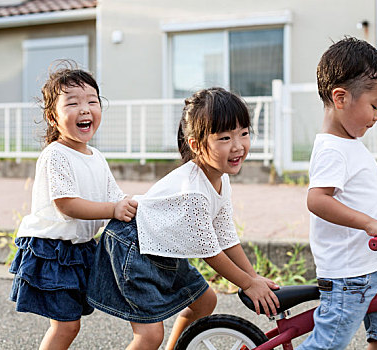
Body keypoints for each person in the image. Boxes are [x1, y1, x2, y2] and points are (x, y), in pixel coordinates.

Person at [87, 87, 280, 350]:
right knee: (150, 334)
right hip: (133, 246)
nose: (238, 146)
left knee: (205, 301)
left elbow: (225, 236)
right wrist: (247, 284)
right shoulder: (193, 192)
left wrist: (254, 278)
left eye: (244, 133)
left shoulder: (220, 179)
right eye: (224, 138)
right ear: (196, 145)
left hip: (161, 249)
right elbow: (210, 251)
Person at [9, 64, 138, 350]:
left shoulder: (96, 157)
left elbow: (115, 197)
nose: (84, 109)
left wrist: (134, 204)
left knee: (69, 323)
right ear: (52, 117)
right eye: (72, 103)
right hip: (52, 249)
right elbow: (67, 205)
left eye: (92, 101)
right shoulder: (55, 155)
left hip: (80, 248)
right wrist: (113, 210)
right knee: (66, 324)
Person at [297, 37, 377, 350]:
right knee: (327, 345)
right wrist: (371, 223)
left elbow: (347, 193)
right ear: (341, 98)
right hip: (349, 278)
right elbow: (318, 200)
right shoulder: (332, 149)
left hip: (369, 270)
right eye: (375, 105)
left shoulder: (348, 144)